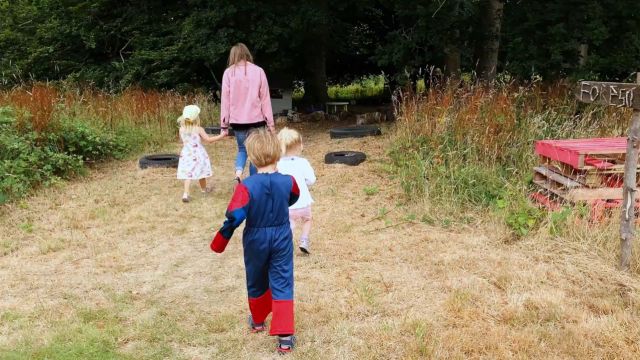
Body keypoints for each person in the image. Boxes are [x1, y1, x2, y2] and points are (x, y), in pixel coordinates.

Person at [210, 129, 299, 354]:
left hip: (255, 238)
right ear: (277, 153)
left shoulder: (246, 187)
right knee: (282, 280)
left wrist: (221, 240)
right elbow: (293, 197)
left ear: (251, 156)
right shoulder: (288, 181)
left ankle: (258, 320)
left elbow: (235, 216)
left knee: (256, 277)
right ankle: (285, 337)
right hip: (281, 236)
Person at [219, 43, 275, 182]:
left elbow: (225, 100)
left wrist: (224, 125)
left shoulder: (228, 73)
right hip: (257, 120)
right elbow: (265, 99)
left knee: (242, 150)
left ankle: (238, 174)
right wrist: (271, 124)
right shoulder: (259, 71)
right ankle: (254, 181)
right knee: (256, 152)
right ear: (247, 54)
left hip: (237, 122)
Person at [277, 127, 316, 254]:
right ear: (299, 145)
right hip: (303, 201)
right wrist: (303, 183)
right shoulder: (303, 162)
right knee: (307, 219)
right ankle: (304, 240)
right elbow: (311, 180)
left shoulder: (278, 164)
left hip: (287, 204)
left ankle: (285, 243)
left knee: (289, 223)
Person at [176, 105, 224, 203]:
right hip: (198, 154)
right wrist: (221, 136)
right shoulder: (198, 129)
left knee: (188, 175)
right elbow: (208, 140)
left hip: (186, 154)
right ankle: (203, 189)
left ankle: (186, 193)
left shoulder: (181, 129)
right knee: (201, 172)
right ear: (196, 118)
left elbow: (183, 141)